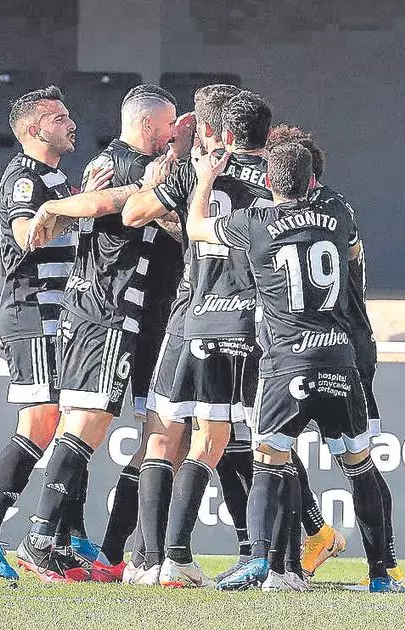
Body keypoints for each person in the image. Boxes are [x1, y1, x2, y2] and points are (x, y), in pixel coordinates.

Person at [0, 85, 166, 583]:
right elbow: (26, 236)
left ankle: (67, 538)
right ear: (34, 129)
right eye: (59, 118)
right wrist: (73, 205)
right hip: (32, 310)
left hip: (63, 313)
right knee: (44, 422)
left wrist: (73, 200)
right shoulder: (24, 177)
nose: (71, 123)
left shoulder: (59, 178)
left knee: (73, 419)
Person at [182, 141, 400, 592]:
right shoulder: (338, 215)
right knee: (359, 465)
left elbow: (196, 227)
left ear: (267, 181)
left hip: (286, 361)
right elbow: (354, 255)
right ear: (312, 181)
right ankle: (382, 574)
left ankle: (264, 564)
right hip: (338, 355)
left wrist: (204, 180)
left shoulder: (255, 222)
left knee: (268, 460)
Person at [14, 84, 184, 584]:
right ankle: (41, 536)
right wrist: (58, 207)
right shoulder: (128, 166)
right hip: (108, 311)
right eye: (169, 124)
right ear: (148, 124)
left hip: (144, 319)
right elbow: (115, 204)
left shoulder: (121, 166)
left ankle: (108, 553)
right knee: (86, 423)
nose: (175, 133)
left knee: (161, 434)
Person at [121, 86, 273, 588]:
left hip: (187, 316)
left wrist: (162, 180)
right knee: (210, 441)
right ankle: (177, 557)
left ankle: (146, 560)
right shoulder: (276, 182)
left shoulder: (196, 171)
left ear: (216, 130)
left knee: (161, 435)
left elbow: (132, 214)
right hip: (239, 320)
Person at [266, 125, 404, 590]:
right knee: (348, 458)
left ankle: (373, 560)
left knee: (337, 458)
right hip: (345, 346)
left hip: (331, 346)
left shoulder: (305, 214)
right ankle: (348, 551)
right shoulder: (338, 210)